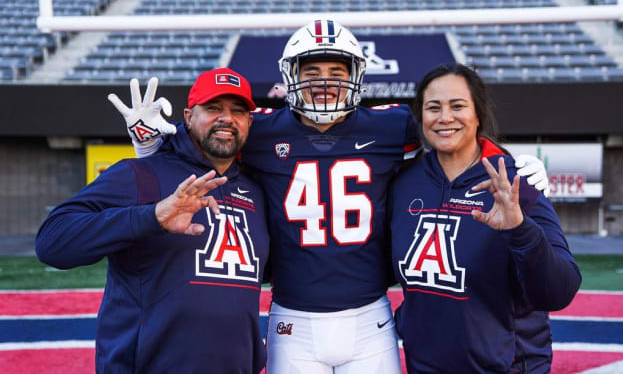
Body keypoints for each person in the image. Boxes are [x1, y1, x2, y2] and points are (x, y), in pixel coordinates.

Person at [114, 21, 550, 373]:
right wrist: (156, 149)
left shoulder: (391, 126)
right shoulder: (260, 130)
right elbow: (207, 145)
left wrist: (506, 159)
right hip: (292, 319)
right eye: (312, 72)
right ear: (291, 77)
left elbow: (453, 134)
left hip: (370, 316)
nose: (324, 83)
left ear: (357, 77)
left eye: (337, 73)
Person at [35, 68, 270, 374]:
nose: (226, 118)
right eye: (213, 108)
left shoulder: (255, 189)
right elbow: (52, 242)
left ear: (249, 122)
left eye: (237, 111)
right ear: (187, 117)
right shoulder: (141, 174)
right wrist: (153, 216)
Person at [388, 63, 581, 373]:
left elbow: (560, 290)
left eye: (458, 106)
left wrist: (520, 228)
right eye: (433, 107)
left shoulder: (517, 183)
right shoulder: (404, 184)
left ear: (478, 113)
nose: (445, 117)